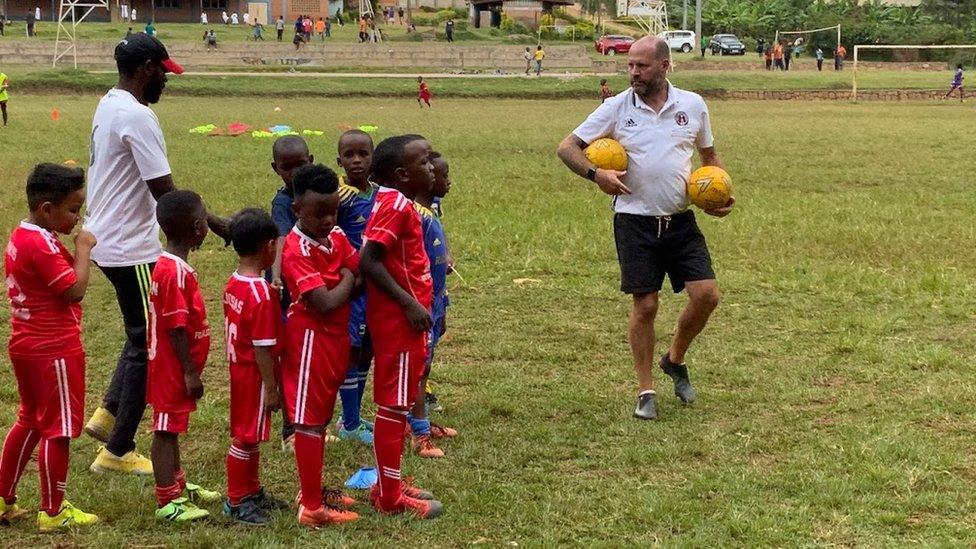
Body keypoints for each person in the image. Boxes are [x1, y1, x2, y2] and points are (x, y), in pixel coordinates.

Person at [556, 36, 734, 421]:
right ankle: (645, 389)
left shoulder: (693, 105)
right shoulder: (615, 108)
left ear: (665, 66)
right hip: (634, 221)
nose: (633, 72)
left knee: (706, 296)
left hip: (680, 221)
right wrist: (596, 173)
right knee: (646, 304)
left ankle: (675, 359)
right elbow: (567, 147)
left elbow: (709, 156)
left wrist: (716, 194)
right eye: (630, 65)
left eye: (642, 65)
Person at [83, 34, 229, 476]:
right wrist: (220, 226)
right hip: (131, 247)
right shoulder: (138, 115)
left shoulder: (109, 103)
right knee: (152, 345)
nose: (166, 79)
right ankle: (118, 449)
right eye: (163, 71)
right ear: (147, 68)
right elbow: (164, 191)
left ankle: (107, 414)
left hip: (106, 237)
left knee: (137, 335)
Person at [0, 164, 99, 531]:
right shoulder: (41, 243)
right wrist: (84, 247)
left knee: (29, 420)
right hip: (53, 348)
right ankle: (53, 511)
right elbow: (74, 289)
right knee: (58, 428)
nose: (77, 217)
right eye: (73, 209)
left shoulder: (21, 235)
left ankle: (3, 497)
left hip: (25, 344)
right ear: (46, 209)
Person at [360, 135, 444, 519]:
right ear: (401, 175)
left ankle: (389, 481)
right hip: (398, 322)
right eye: (423, 162)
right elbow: (370, 260)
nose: (432, 167)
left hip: (403, 319)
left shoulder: (398, 201)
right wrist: (410, 304)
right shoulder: (394, 204)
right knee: (393, 407)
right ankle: (389, 496)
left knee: (397, 404)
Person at [280, 164, 361, 528]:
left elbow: (357, 274)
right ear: (297, 210)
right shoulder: (296, 250)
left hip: (335, 339)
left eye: (333, 211)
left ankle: (311, 488)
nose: (329, 219)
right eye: (319, 213)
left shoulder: (336, 235)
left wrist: (343, 280)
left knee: (322, 418)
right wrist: (346, 276)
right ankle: (312, 508)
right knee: (309, 423)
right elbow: (325, 302)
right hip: (309, 340)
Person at [146, 190, 221, 523]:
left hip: (173, 365)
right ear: (196, 228)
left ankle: (177, 484)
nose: (207, 224)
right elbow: (176, 328)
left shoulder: (173, 265)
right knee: (164, 429)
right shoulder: (174, 273)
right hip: (171, 367)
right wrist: (189, 371)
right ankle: (167, 500)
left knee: (172, 427)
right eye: (205, 220)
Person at [222, 208, 290, 526]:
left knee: (248, 434)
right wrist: (272, 390)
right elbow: (263, 347)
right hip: (254, 374)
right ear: (269, 246)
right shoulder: (260, 293)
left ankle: (251, 491)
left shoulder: (235, 284)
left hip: (239, 368)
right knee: (246, 437)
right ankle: (236, 499)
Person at [408, 151, 457, 459]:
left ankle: (417, 420)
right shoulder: (414, 215)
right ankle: (419, 432)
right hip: (420, 305)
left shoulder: (431, 211)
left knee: (425, 366)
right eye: (443, 175)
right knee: (417, 369)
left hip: (435, 302)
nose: (448, 181)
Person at [267, 135, 312, 452]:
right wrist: (277, 275)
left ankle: (310, 424)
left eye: (300, 165)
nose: (294, 173)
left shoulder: (321, 190)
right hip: (291, 287)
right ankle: (290, 431)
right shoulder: (283, 202)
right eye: (287, 167)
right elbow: (281, 238)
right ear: (276, 169)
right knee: (293, 358)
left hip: (316, 283)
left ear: (310, 160)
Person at [335, 130, 377, 445]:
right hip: (350, 285)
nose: (357, 160)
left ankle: (355, 415)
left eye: (363, 154)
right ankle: (348, 421)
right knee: (350, 349)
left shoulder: (380, 193)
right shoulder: (339, 197)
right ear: (340, 161)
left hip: (375, 284)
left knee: (366, 350)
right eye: (350, 155)